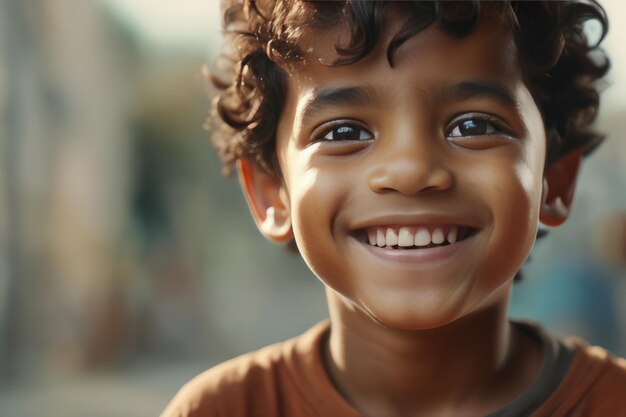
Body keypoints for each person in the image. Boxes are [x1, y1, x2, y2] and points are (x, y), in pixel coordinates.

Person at [161, 1, 626, 416]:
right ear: (272, 193)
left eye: (473, 125)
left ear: (554, 181)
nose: (410, 170)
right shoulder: (222, 410)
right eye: (343, 133)